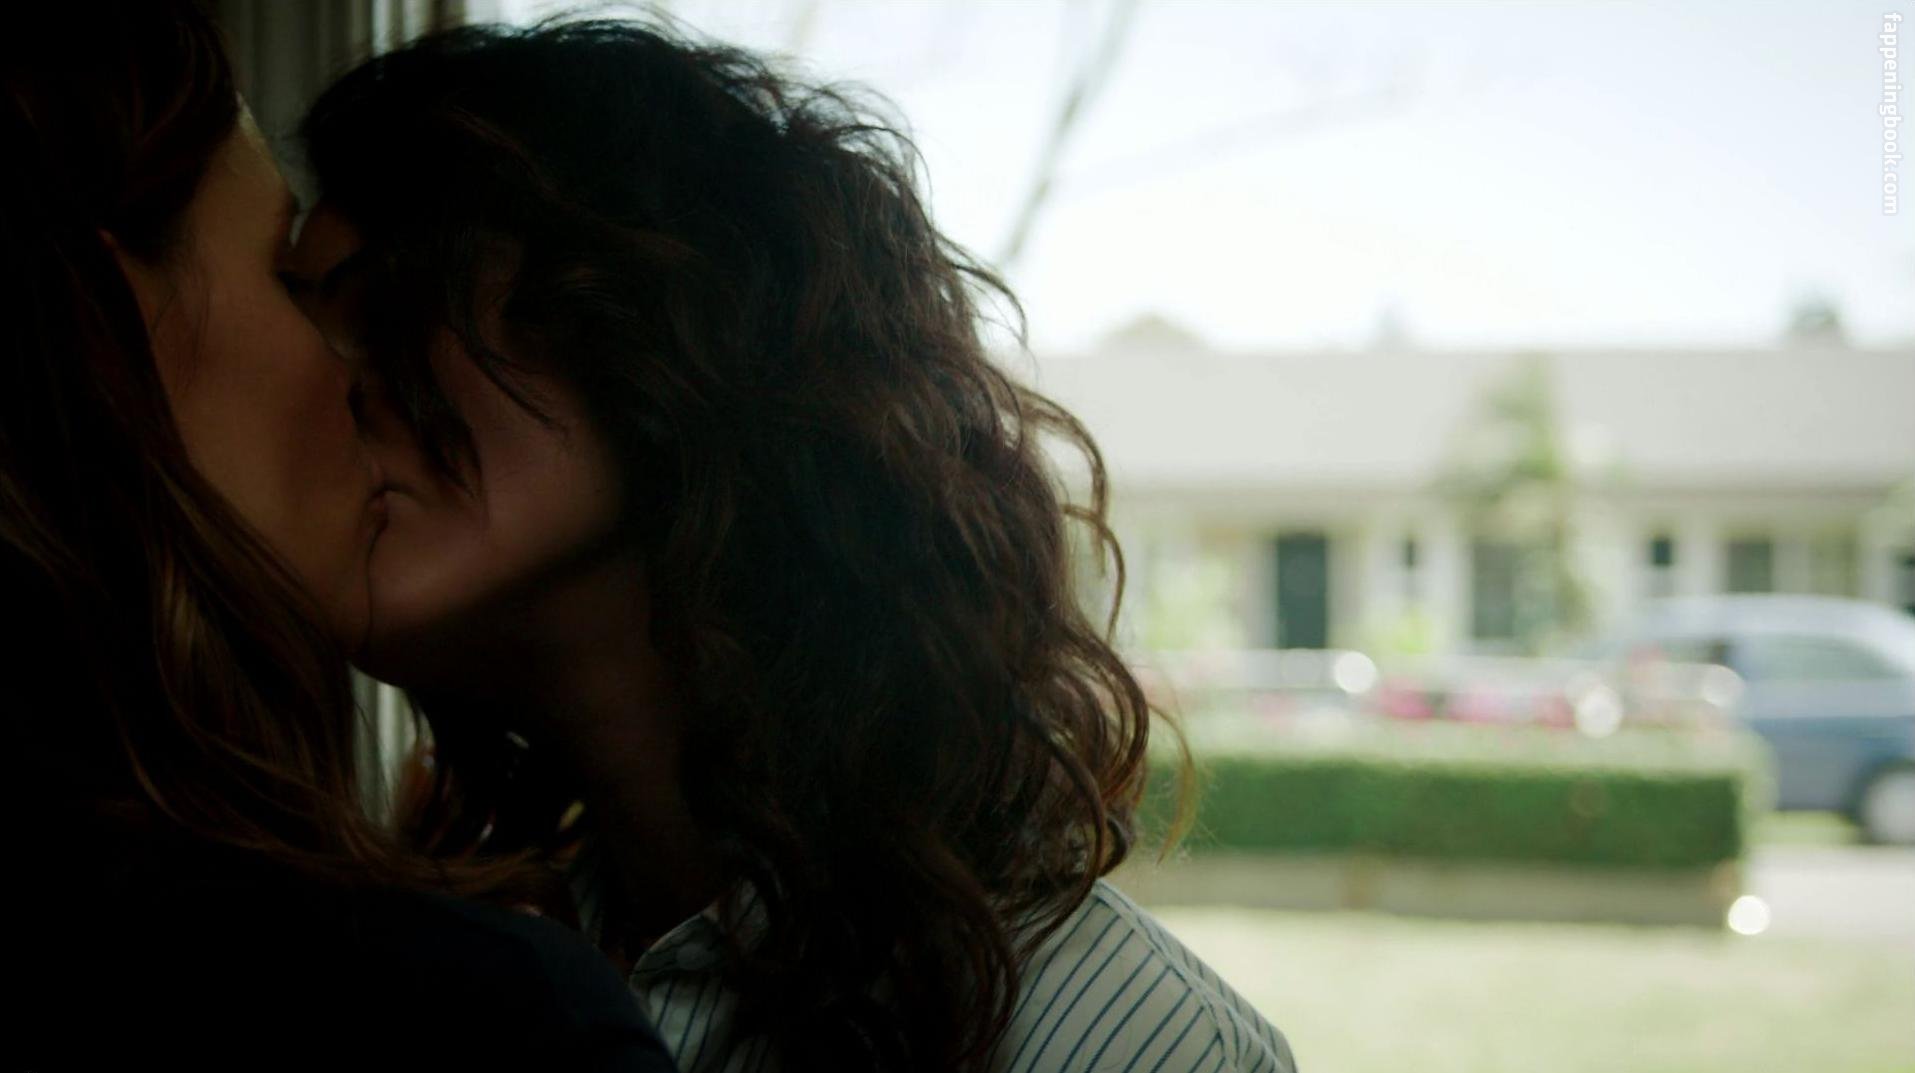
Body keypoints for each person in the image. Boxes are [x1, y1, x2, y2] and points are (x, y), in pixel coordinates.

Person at [296, 17, 1296, 1073]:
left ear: (663, 323)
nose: (325, 386)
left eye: (383, 306)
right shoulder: (465, 972)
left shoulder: (1130, 1042)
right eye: (306, 330)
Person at [2, 4, 672, 1069]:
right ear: (110, 322)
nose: (353, 377)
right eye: (288, 280)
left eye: (392, 305)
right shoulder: (464, 994)